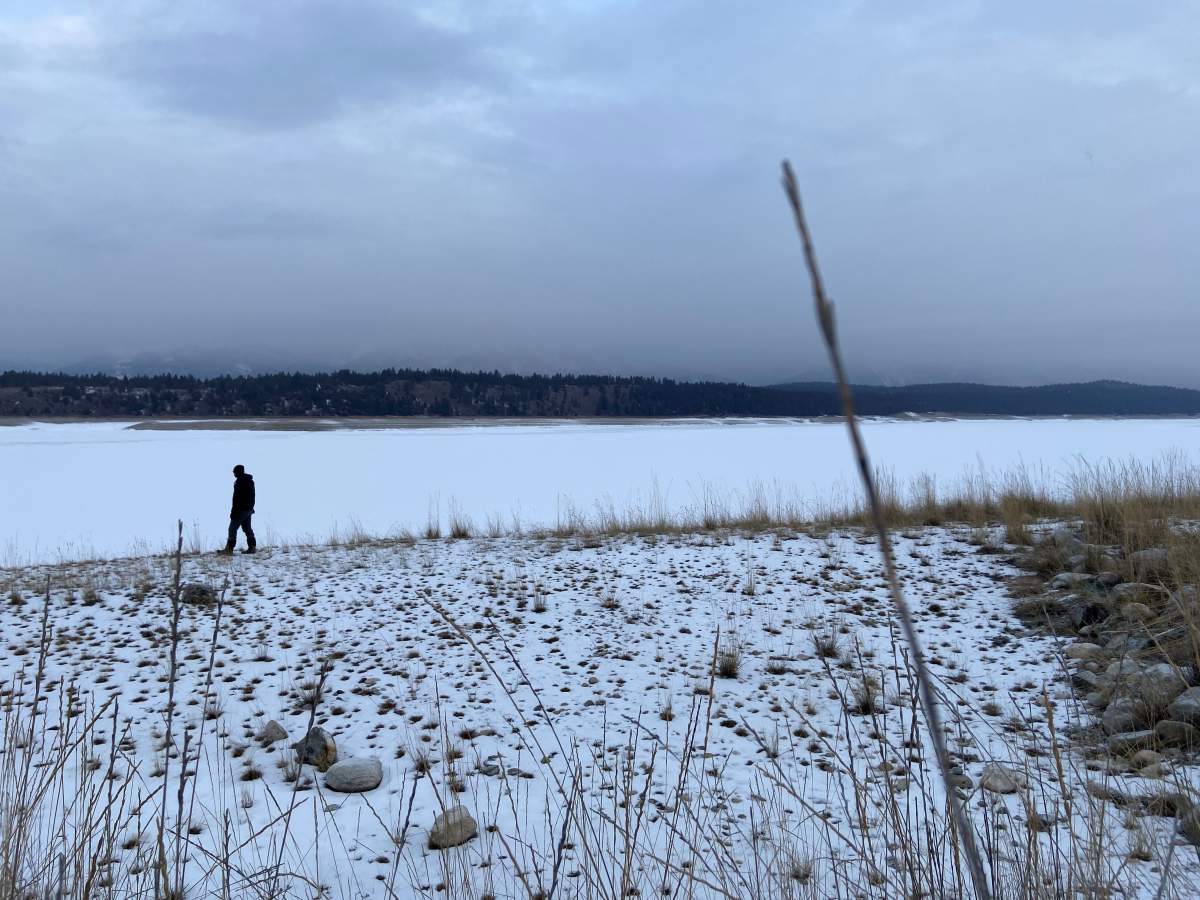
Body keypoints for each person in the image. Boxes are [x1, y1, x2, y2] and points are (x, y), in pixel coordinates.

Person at [221, 464, 256, 554]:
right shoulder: (249, 481)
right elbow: (251, 496)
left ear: (238, 472)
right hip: (248, 509)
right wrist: (250, 508)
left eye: (234, 471)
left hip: (241, 510)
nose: (233, 473)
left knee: (232, 528)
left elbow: (237, 499)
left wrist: (234, 511)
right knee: (247, 528)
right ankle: (252, 548)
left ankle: (229, 550)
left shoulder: (240, 481)